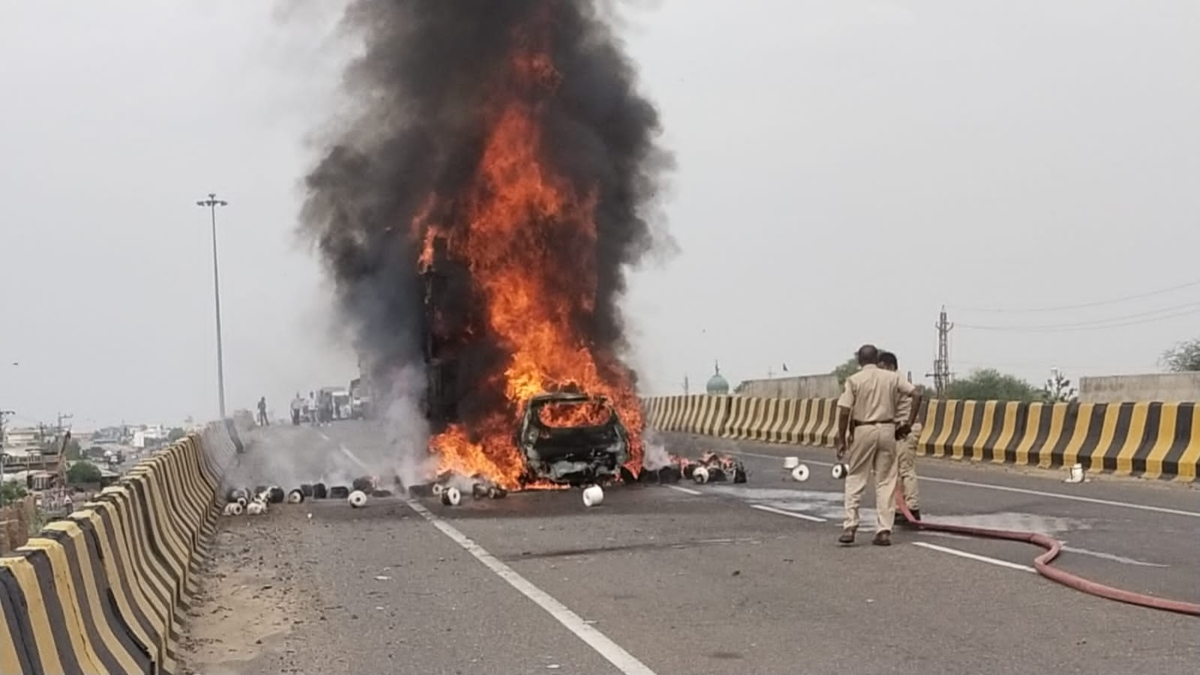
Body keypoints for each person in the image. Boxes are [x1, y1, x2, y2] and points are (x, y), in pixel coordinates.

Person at [834, 344, 921, 546]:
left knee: (856, 477)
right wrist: (907, 424)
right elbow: (916, 395)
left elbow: (845, 410)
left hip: (863, 428)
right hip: (888, 429)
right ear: (876, 359)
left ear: (859, 361)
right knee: (886, 481)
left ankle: (850, 525)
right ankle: (883, 530)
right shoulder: (891, 377)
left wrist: (841, 436)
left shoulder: (854, 380)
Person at [879, 351, 921, 527]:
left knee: (905, 470)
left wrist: (908, 424)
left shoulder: (895, 380)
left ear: (889, 366)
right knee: (896, 471)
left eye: (881, 368)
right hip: (898, 429)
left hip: (905, 429)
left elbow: (917, 395)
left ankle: (912, 508)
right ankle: (901, 508)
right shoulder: (892, 380)